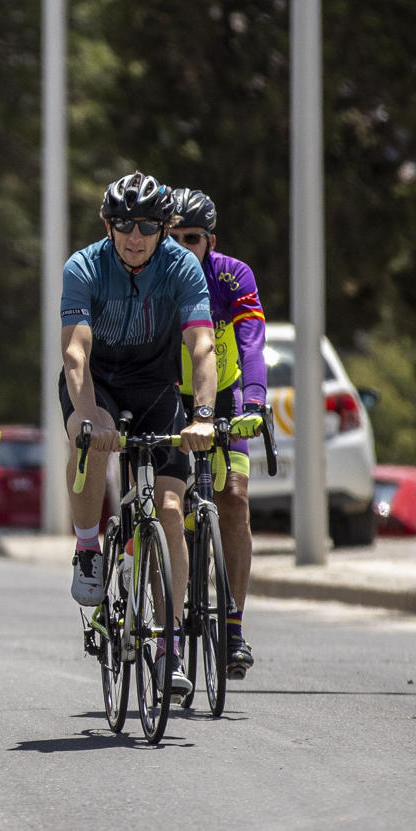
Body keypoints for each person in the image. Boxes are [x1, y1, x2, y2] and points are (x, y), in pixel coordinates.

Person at [61, 173, 217, 703]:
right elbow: (75, 354)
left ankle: (169, 645)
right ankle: (87, 547)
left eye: (147, 225)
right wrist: (89, 418)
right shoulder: (84, 266)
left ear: (164, 228)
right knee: (82, 445)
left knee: (170, 510)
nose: (135, 235)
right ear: (108, 225)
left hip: (155, 388)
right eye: (123, 224)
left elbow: (201, 347)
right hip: (96, 385)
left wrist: (202, 415)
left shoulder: (183, 267)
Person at [168, 189, 269, 678]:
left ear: (211, 240)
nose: (183, 246)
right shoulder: (156, 276)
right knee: (159, 498)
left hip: (224, 396)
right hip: (168, 395)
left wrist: (253, 402)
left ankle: (232, 627)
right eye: (174, 237)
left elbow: (252, 342)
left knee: (235, 498)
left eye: (193, 238)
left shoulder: (233, 276)